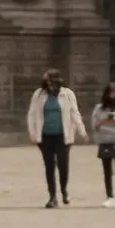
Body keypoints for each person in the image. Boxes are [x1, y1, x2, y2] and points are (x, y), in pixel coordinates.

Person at [25, 69, 87, 209]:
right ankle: (52, 197)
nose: (50, 85)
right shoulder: (38, 94)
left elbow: (74, 113)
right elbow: (31, 114)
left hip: (63, 136)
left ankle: (64, 190)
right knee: (49, 166)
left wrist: (82, 131)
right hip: (45, 135)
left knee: (63, 164)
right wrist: (32, 133)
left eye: (51, 82)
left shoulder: (67, 94)